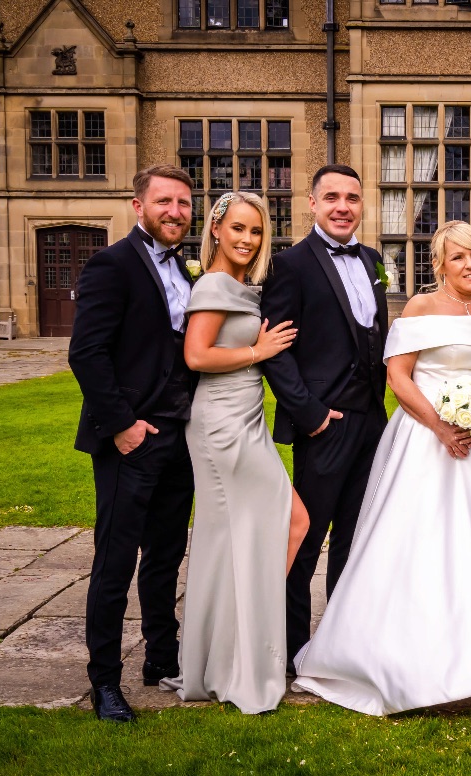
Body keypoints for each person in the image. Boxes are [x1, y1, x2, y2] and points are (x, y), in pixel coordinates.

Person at [292, 222, 471, 715]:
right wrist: (442, 428)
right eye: (459, 257)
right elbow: (399, 378)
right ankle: (407, 658)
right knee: (419, 541)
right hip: (424, 440)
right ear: (439, 264)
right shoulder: (420, 308)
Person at [159, 192, 309, 713]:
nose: (248, 240)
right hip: (221, 425)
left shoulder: (243, 287)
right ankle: (239, 652)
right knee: (293, 522)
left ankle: (228, 654)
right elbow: (197, 354)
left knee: (238, 539)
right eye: (239, 229)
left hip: (247, 417)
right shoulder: (214, 284)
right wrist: (258, 351)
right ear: (217, 228)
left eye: (257, 232)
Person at [68, 164, 197, 723]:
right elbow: (86, 353)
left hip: (180, 438)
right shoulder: (111, 264)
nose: (176, 212)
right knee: (115, 561)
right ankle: (104, 683)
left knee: (167, 556)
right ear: (138, 205)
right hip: (130, 440)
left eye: (184, 203)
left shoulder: (190, 274)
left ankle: (160, 659)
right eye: (165, 201)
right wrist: (122, 424)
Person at [260, 165, 389, 673]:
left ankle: (339, 644)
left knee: (356, 541)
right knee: (307, 536)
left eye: (352, 198)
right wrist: (310, 415)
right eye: (331, 197)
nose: (342, 206)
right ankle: (290, 650)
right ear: (312, 203)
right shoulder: (290, 265)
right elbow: (275, 350)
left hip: (371, 423)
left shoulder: (375, 260)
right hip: (325, 424)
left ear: (362, 204)